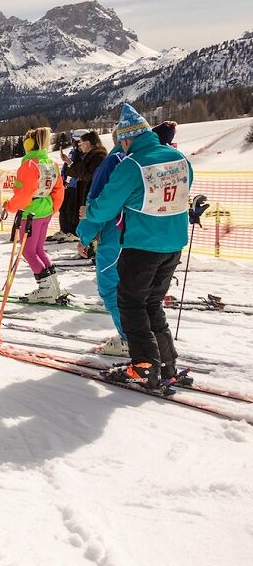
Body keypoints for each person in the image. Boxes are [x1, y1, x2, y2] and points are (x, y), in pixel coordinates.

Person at [85, 105, 193, 390]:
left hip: (142, 244)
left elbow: (104, 206)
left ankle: (144, 365)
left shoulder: (132, 165)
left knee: (131, 303)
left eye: (122, 140)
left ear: (128, 139)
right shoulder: (179, 158)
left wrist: (88, 217)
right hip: (173, 244)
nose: (122, 145)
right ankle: (167, 365)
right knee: (152, 303)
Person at [76, 120, 179, 357]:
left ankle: (131, 342)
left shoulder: (118, 162)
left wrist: (84, 235)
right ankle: (154, 349)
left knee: (113, 289)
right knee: (146, 297)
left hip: (119, 235)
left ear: (122, 140)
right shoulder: (163, 156)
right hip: (162, 237)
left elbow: (100, 202)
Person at [4, 127, 65, 302]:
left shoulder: (29, 165)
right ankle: (53, 286)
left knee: (28, 252)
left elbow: (24, 194)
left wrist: (9, 206)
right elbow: (58, 189)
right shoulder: (51, 163)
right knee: (38, 249)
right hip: (46, 210)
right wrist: (53, 208)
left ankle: (46, 288)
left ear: (29, 144)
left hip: (30, 213)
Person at [63, 130, 108, 248]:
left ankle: (94, 248)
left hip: (92, 194)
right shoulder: (91, 156)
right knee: (88, 221)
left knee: (93, 222)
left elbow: (87, 175)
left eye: (81, 144)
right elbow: (81, 173)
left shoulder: (98, 156)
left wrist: (76, 163)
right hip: (87, 192)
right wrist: (70, 163)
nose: (79, 147)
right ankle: (90, 246)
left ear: (87, 143)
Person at [53, 131, 83, 242]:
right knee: (63, 207)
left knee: (73, 208)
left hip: (78, 186)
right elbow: (65, 167)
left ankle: (73, 231)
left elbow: (80, 169)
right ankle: (64, 230)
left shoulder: (85, 154)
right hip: (69, 185)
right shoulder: (73, 152)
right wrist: (63, 179)